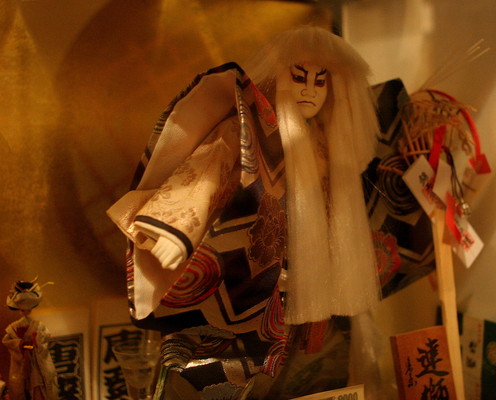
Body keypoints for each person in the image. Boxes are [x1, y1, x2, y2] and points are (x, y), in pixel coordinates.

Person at [107, 25, 381, 397]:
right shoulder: (251, 130)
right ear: (277, 76)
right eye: (298, 77)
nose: (309, 90)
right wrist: (178, 229)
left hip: (309, 286)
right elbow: (209, 169)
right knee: (230, 378)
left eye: (321, 81)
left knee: (301, 380)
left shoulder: (326, 144)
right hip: (250, 282)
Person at [2, 280, 58, 400]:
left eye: (28, 309)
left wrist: (35, 341)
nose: (25, 313)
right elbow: (6, 341)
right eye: (22, 309)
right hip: (20, 362)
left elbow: (44, 339)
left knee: (39, 387)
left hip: (37, 364)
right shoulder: (14, 327)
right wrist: (20, 344)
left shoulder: (38, 325)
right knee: (19, 387)